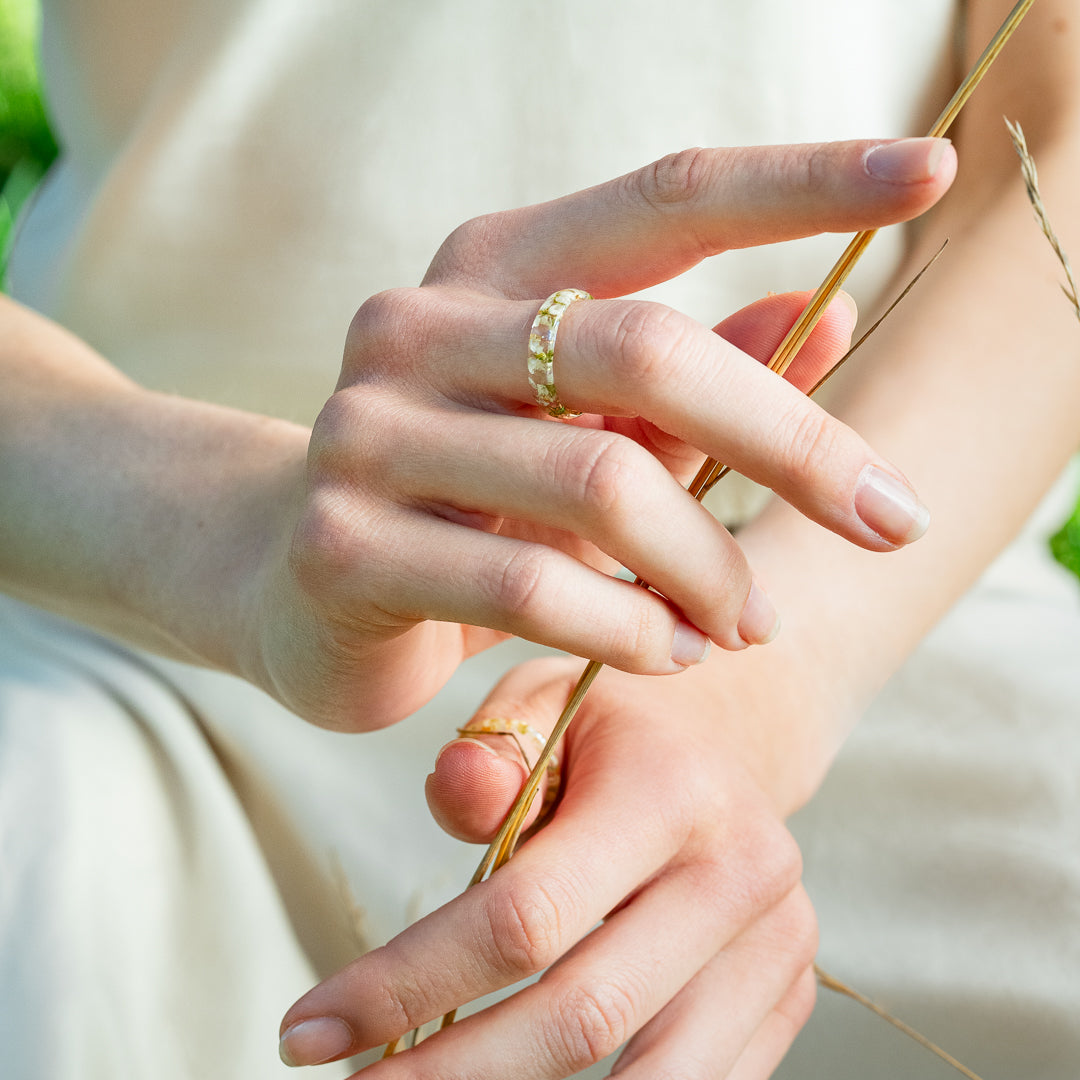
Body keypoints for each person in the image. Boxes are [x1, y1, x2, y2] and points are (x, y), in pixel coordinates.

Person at [1, 2, 1077, 1078]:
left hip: (895, 620)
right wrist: (234, 538)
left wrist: (762, 687)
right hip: (134, 590)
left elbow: (1057, 139)